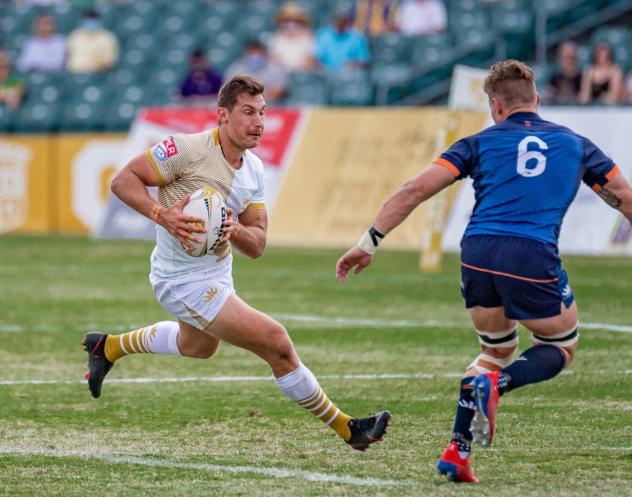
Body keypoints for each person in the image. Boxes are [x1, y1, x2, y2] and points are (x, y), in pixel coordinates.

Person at [336, 60, 632, 482]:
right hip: (530, 253)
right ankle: (499, 386)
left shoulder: (476, 142)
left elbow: (414, 190)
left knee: (493, 352)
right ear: (538, 100)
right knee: (561, 347)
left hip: (476, 252)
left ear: (495, 106)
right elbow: (623, 197)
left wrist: (368, 243)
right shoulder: (577, 144)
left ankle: (457, 453)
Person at [83, 75, 391, 451]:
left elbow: (258, 243)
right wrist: (160, 214)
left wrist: (233, 229)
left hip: (217, 272)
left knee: (197, 347)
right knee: (276, 342)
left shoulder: (254, 170)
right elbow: (123, 180)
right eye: (248, 112)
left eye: (262, 112)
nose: (258, 122)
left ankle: (108, 347)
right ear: (223, 116)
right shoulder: (185, 148)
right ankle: (348, 428)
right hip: (181, 280)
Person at [66, 9, 119, 74]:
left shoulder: (107, 38)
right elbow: (68, 54)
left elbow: (109, 61)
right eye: (88, 20)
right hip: (74, 73)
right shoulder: (75, 35)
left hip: (97, 74)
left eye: (93, 20)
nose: (91, 23)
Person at [268, 2, 317, 72]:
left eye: (296, 21)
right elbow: (274, 61)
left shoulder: (309, 38)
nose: (291, 25)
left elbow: (311, 62)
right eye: (286, 21)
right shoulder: (275, 39)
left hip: (303, 74)